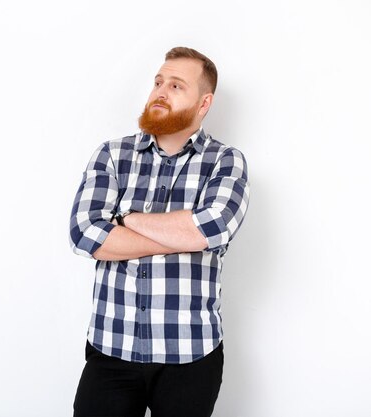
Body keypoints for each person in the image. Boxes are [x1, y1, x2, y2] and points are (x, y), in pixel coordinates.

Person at [68, 46, 250, 417]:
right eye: (158, 82)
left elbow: (212, 228)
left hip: (190, 354)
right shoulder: (112, 155)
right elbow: (85, 233)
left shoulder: (225, 161)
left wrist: (125, 218)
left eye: (177, 85)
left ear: (204, 104)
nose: (160, 92)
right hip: (111, 350)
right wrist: (180, 233)